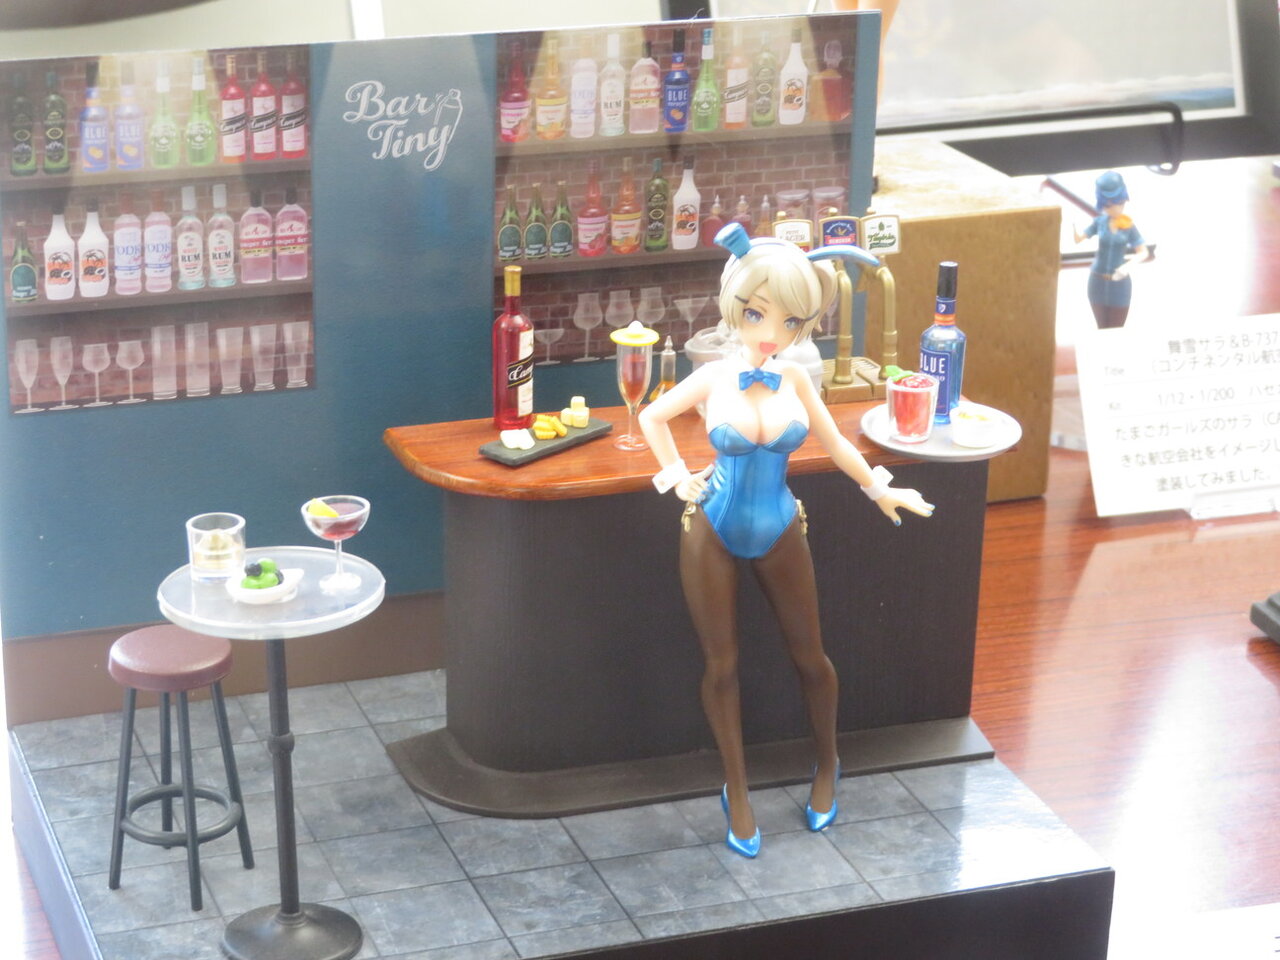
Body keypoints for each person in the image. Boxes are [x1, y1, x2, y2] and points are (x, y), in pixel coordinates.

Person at [638, 223, 933, 858]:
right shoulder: (713, 377)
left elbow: (837, 442)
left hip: (778, 524)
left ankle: (827, 764)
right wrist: (675, 477)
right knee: (722, 666)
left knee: (812, 657)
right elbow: (651, 416)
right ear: (734, 307)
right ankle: (737, 791)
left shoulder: (796, 379)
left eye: (791, 321)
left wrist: (879, 488)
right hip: (710, 525)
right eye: (757, 313)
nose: (772, 331)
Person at [1074, 170, 1148, 329]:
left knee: (1116, 330)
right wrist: (1073, 230)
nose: (1116, 208)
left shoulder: (1128, 225)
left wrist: (1127, 266)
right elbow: (1081, 237)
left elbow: (1143, 251)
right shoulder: (1099, 222)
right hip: (1097, 281)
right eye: (1109, 205)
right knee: (1101, 327)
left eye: (1120, 203)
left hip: (1119, 282)